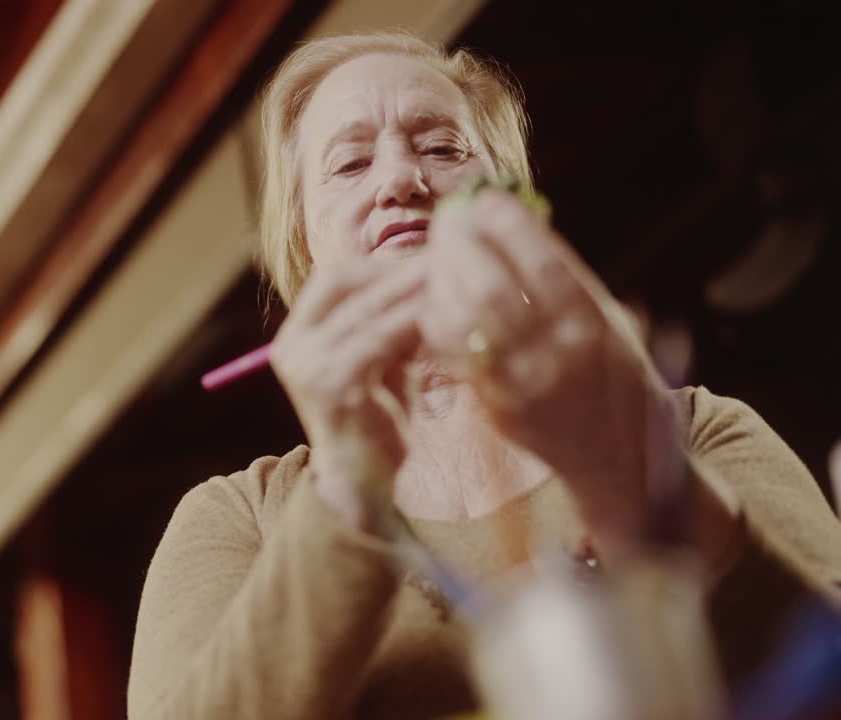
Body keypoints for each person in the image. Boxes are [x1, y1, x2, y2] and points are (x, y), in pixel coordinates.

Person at [128, 31, 841, 719]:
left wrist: (631, 470)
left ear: (510, 200)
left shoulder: (692, 428)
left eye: (443, 148)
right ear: (305, 243)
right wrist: (349, 489)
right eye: (349, 165)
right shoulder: (239, 519)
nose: (403, 180)